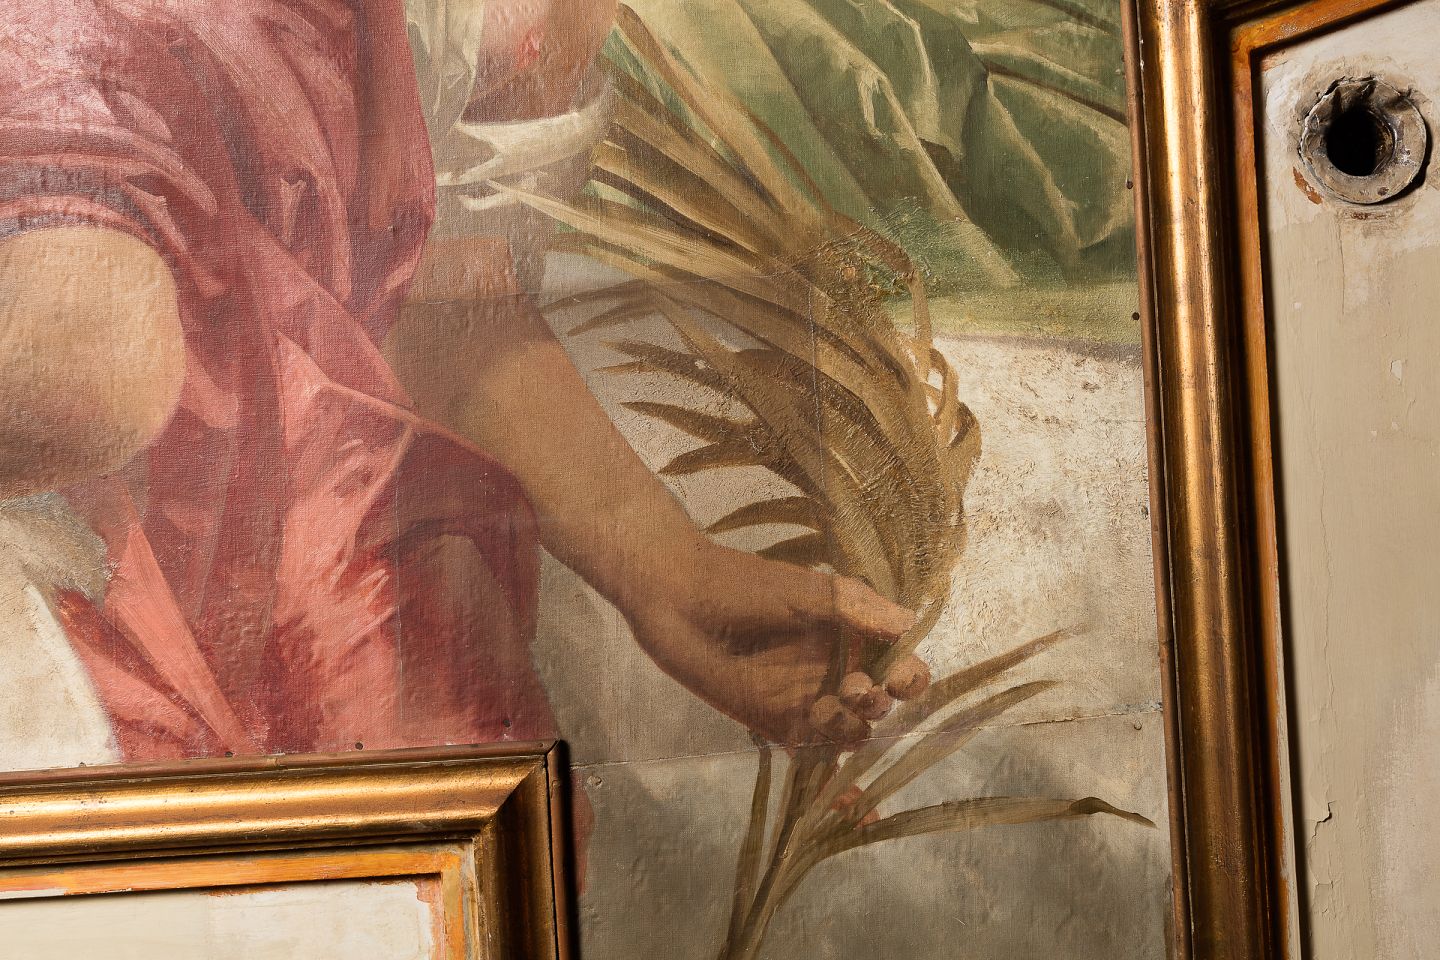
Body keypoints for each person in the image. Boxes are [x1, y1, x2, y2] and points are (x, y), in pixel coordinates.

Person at [0, 0, 927, 770]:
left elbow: (445, 295)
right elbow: (85, 361)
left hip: (288, 472)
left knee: (418, 753)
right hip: (94, 469)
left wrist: (672, 575)